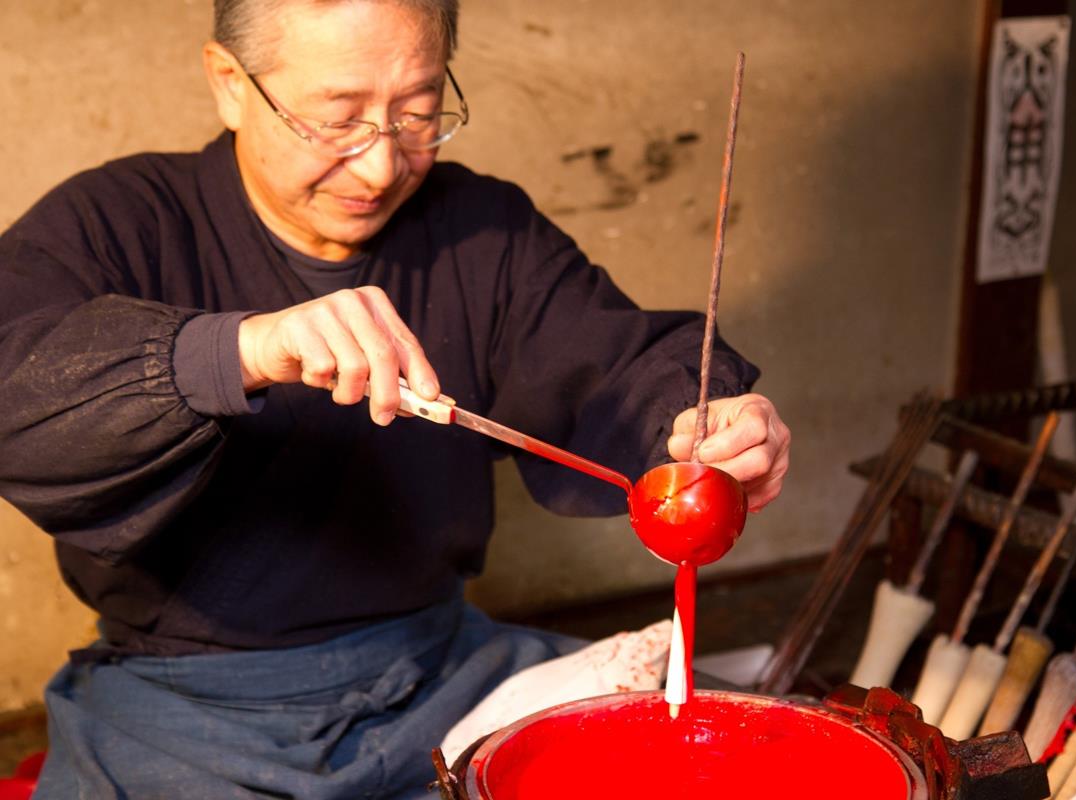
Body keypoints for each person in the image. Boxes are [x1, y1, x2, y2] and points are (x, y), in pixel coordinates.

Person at [0, 0, 791, 797]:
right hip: (181, 709)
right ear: (230, 83)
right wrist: (242, 350)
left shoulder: (482, 230)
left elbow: (616, 362)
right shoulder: (120, 222)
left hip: (442, 672)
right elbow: (15, 386)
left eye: (417, 114)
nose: (382, 169)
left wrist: (695, 422)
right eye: (336, 121)